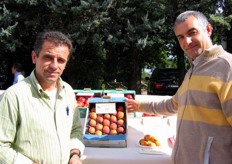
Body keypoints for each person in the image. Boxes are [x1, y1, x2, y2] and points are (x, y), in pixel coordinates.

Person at [127, 10, 232, 164]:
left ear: (208, 29)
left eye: (192, 32)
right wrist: (140, 106)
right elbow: (173, 104)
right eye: (181, 37)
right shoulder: (194, 69)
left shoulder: (226, 67)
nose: (187, 42)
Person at [0, 31, 85, 164]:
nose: (54, 66)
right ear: (34, 57)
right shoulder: (14, 96)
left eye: (61, 60)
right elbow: (1, 145)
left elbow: (75, 130)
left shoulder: (68, 92)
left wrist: (74, 154)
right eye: (48, 57)